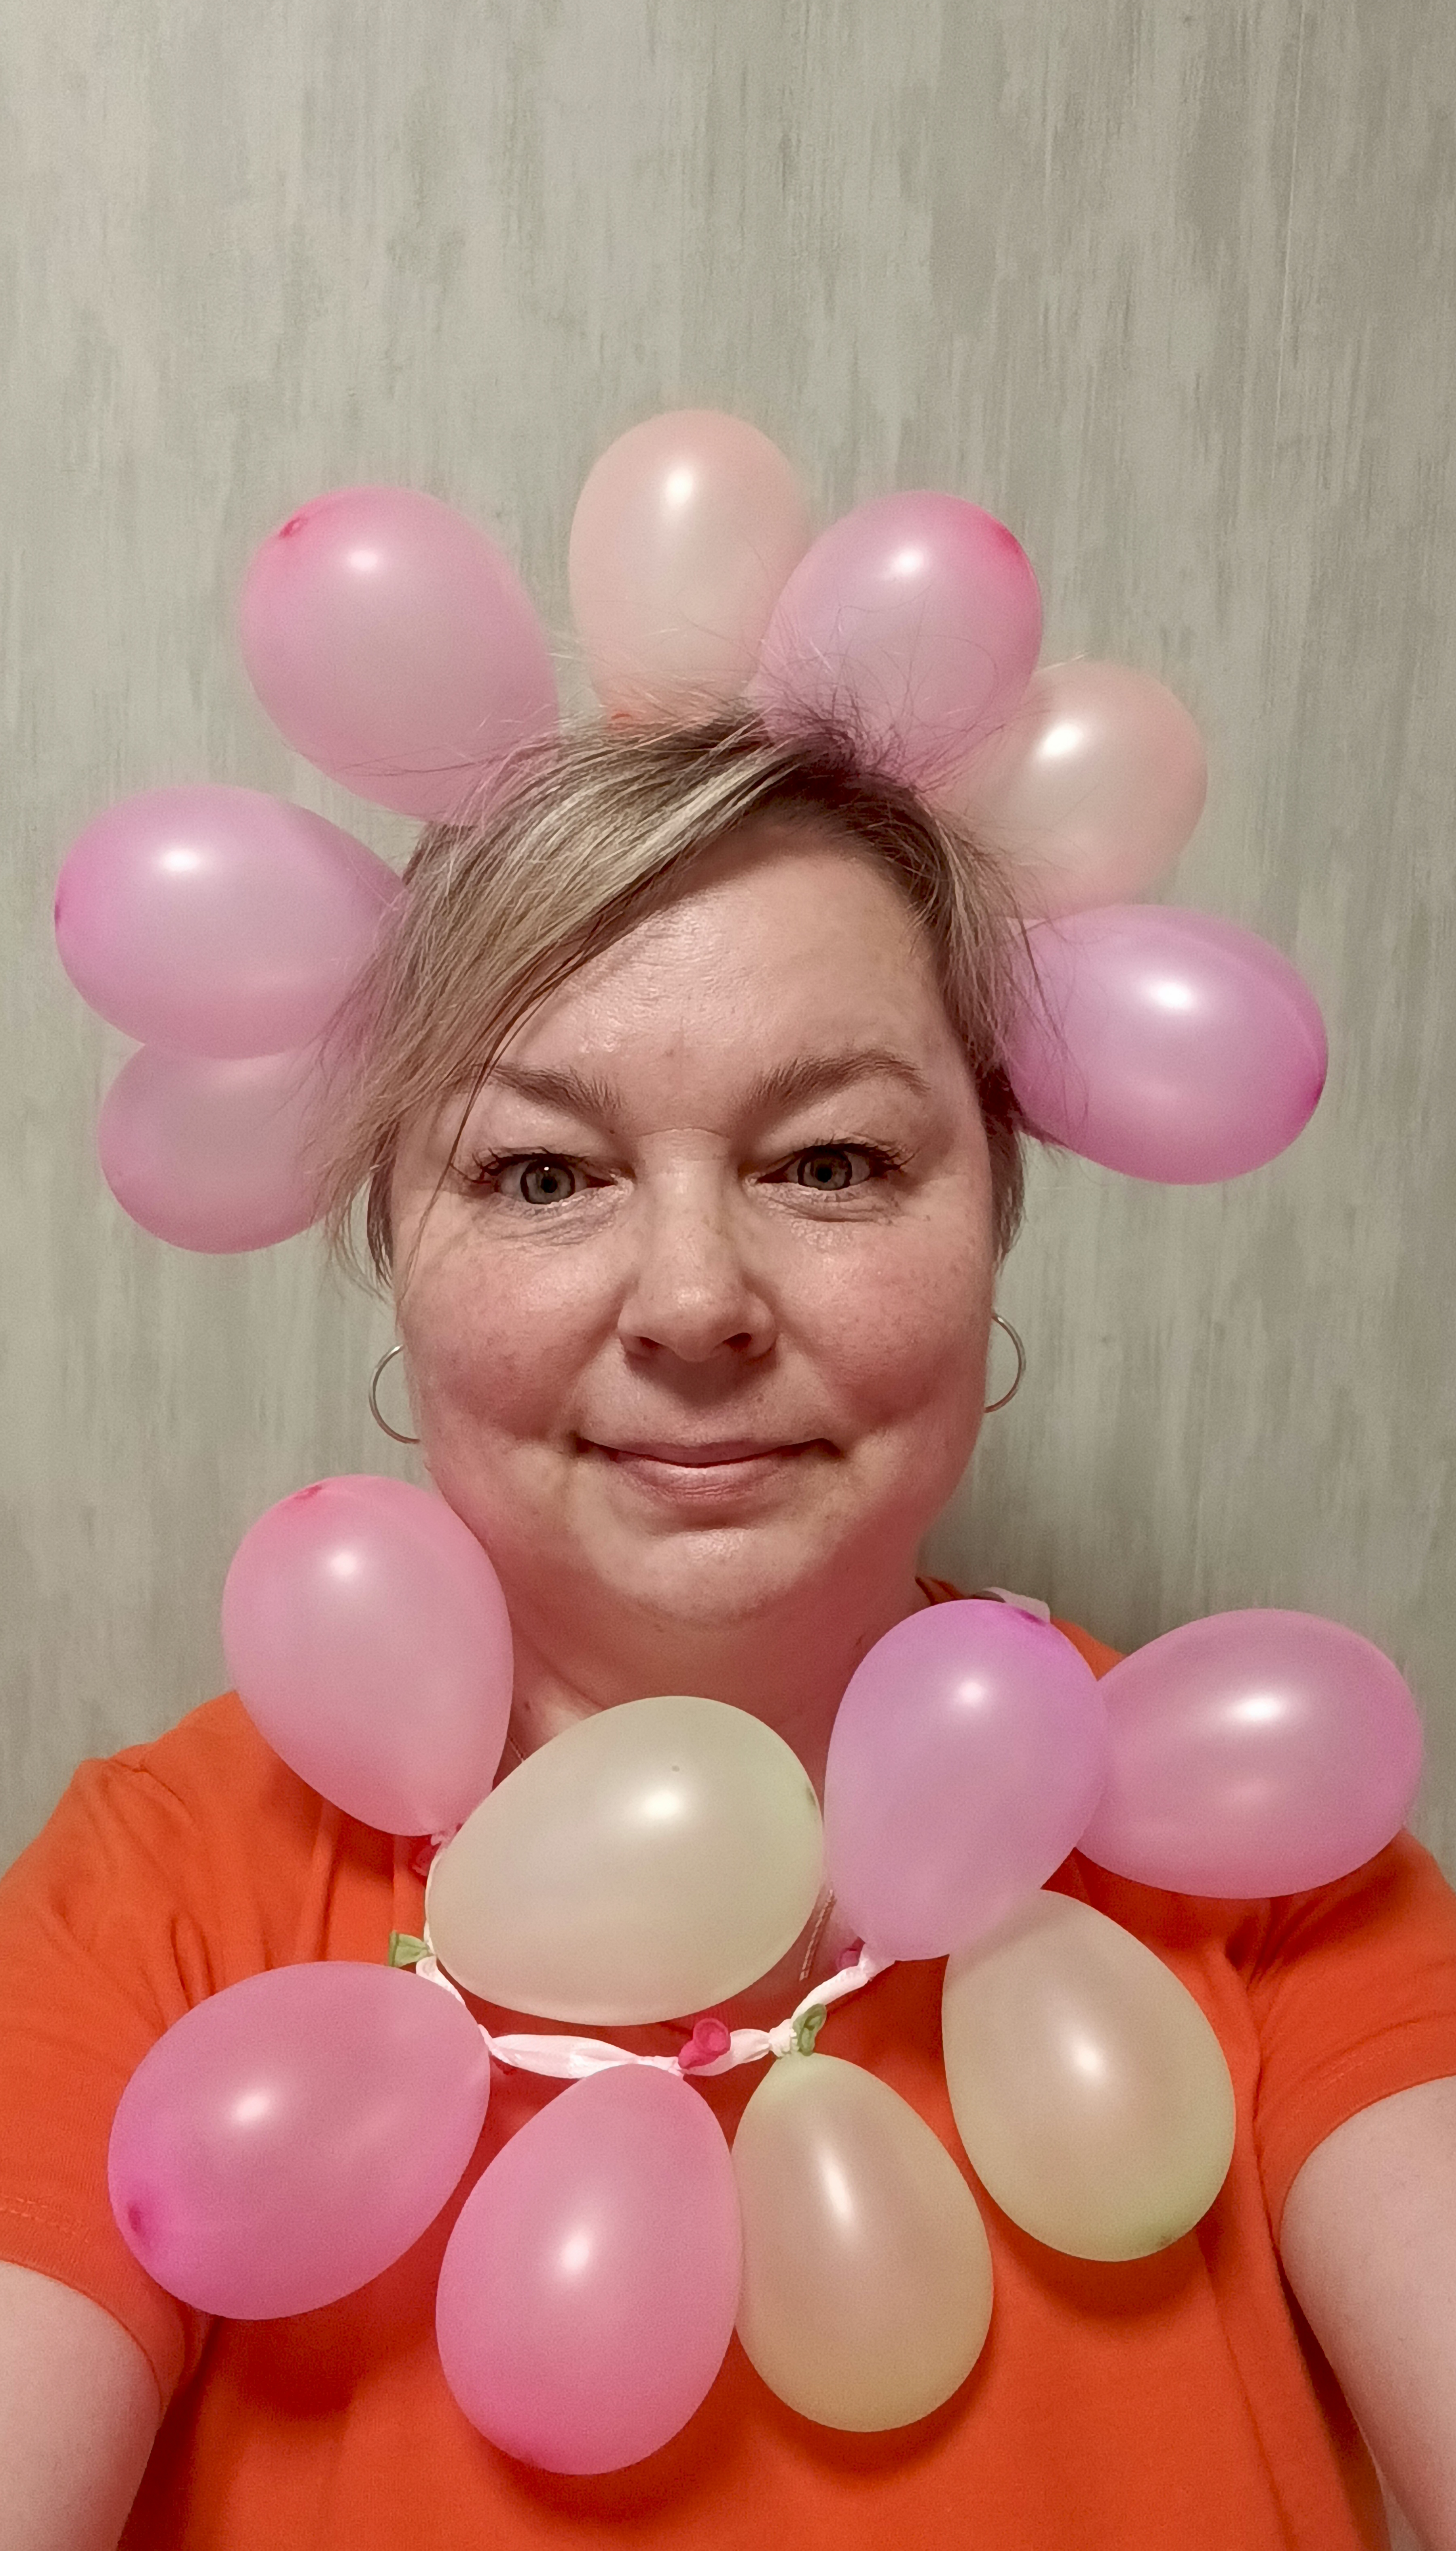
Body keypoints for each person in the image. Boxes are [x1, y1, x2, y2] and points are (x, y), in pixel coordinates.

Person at [3, 713, 1456, 2551]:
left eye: (829, 1161)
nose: (694, 1301)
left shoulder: (1264, 1868)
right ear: (395, 1249)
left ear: (995, 1218)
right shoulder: (151, 1906)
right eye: (544, 1174)